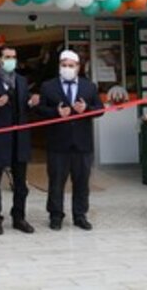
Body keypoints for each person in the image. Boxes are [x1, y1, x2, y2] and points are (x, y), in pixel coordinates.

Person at [37, 50, 103, 231]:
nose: (67, 68)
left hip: (82, 144)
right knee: (56, 182)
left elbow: (100, 109)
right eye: (64, 65)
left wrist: (86, 109)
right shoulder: (48, 86)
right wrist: (55, 112)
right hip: (58, 143)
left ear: (78, 67)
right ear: (59, 66)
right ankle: (55, 215)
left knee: (82, 182)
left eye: (71, 66)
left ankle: (80, 215)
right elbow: (40, 110)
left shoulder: (89, 86)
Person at [0, 45, 39, 235]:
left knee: (20, 183)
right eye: (7, 57)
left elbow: (24, 105)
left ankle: (19, 217)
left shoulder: (21, 80)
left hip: (19, 139)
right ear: (0, 59)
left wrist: (31, 102)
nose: (11, 60)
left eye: (13, 57)